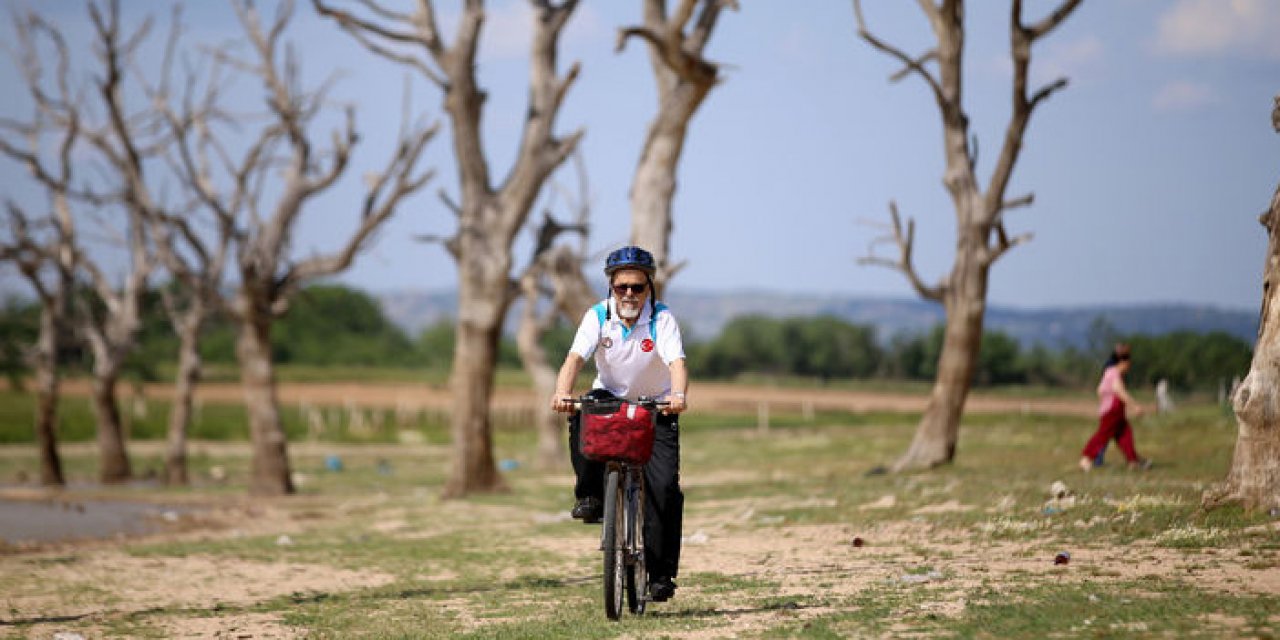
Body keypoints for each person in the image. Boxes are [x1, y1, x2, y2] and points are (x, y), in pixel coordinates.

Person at [550, 245, 689, 603]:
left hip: (656, 407)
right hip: (609, 400)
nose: (629, 294)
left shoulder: (662, 319)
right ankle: (591, 495)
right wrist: (562, 392)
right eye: (621, 287)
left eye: (637, 287)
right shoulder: (597, 315)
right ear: (611, 286)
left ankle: (660, 576)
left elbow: (677, 363)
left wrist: (677, 396)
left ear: (649, 288)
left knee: (664, 490)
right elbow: (574, 358)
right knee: (580, 413)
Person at [1079, 348, 1150, 472]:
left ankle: (1133, 461)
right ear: (1122, 362)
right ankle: (1087, 458)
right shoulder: (1114, 373)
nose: (1129, 365)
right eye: (1128, 362)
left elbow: (1099, 390)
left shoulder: (1108, 372)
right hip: (1113, 409)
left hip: (1112, 409)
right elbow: (1119, 391)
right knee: (1103, 435)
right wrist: (1134, 406)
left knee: (1125, 434)